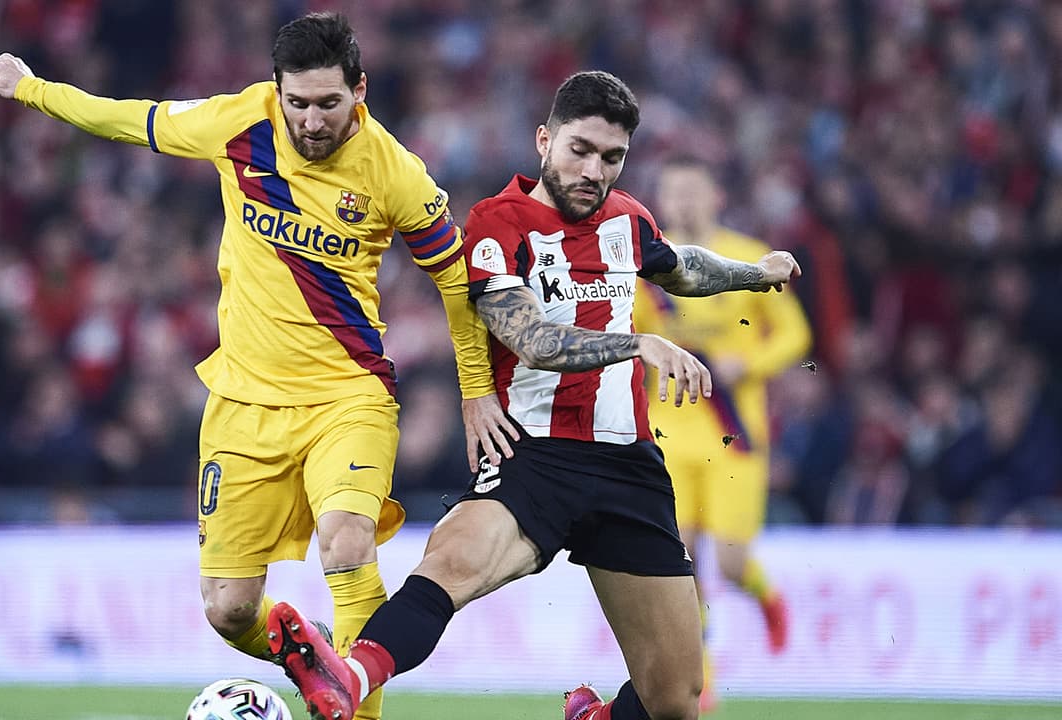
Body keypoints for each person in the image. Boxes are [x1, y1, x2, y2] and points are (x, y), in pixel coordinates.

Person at [0, 13, 515, 720]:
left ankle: (355, 703)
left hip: (348, 396)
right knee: (228, 609)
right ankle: (310, 655)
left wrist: (475, 391)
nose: (311, 121)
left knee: (347, 544)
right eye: (298, 103)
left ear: (359, 90)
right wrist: (32, 88)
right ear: (276, 90)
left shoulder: (395, 172)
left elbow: (456, 279)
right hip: (243, 402)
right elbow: (130, 119)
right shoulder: (238, 122)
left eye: (329, 103)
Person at [266, 70, 801, 720]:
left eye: (611, 157)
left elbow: (680, 267)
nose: (594, 171)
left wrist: (753, 274)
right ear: (544, 140)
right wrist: (638, 345)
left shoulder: (628, 219)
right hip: (535, 455)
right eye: (580, 149)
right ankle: (346, 678)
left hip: (628, 466)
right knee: (454, 562)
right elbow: (533, 338)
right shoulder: (498, 225)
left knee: (676, 701)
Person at [636, 155, 812, 711]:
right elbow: (628, 332)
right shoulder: (648, 263)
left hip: (735, 434)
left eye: (693, 189)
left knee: (731, 564)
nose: (683, 201)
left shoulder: (748, 256)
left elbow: (795, 335)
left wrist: (749, 364)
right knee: (681, 560)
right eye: (673, 191)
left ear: (716, 196)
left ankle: (766, 595)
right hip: (669, 429)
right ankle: (701, 676)